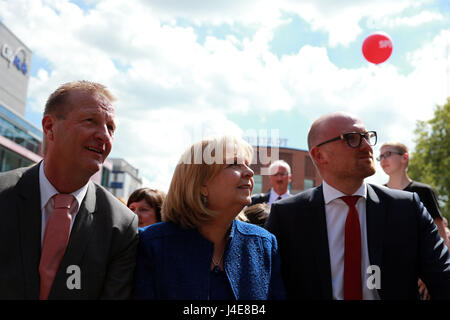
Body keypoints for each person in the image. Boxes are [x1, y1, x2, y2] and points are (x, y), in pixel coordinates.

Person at [266, 111, 450, 300]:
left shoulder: (407, 208)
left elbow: (443, 278)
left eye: (367, 137)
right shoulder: (287, 216)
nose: (366, 146)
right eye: (351, 139)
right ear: (319, 155)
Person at [0, 81, 139, 299]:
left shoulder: (121, 226)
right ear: (49, 127)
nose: (104, 136)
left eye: (110, 127)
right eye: (90, 121)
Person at [134, 135, 286, 300]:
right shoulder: (152, 244)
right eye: (234, 163)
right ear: (201, 184)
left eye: (247, 164)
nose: (250, 172)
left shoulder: (264, 243)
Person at [378, 141, 449, 247]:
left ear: (404, 157)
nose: (383, 159)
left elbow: (440, 233)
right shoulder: (378, 194)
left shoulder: (425, 191)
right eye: (380, 157)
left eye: (388, 154)